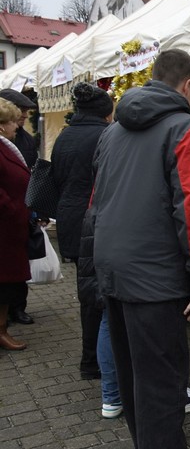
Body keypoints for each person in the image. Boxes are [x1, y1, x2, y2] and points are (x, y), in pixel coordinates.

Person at [90, 49, 190, 449]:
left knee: (134, 374)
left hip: (114, 264)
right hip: (155, 273)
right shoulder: (185, 129)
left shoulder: (113, 130)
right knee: (162, 379)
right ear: (188, 85)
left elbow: (97, 202)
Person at [77, 208, 190, 419]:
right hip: (133, 252)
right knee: (151, 327)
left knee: (109, 320)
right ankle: (167, 397)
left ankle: (113, 397)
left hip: (105, 241)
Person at [50, 82, 114, 379]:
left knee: (87, 292)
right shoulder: (105, 135)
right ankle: (93, 361)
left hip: (69, 220)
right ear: (106, 114)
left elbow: (57, 178)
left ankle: (92, 358)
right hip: (93, 221)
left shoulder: (64, 136)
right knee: (97, 296)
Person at [0, 88, 38, 326]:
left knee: (11, 277)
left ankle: (10, 317)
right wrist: (13, 210)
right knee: (6, 278)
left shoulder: (20, 141)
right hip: (7, 221)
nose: (21, 120)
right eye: (15, 117)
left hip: (15, 221)